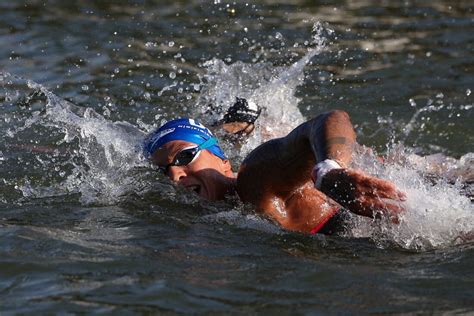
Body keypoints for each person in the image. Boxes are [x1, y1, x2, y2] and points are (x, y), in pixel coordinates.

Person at [143, 109, 406, 235]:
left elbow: (330, 119)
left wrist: (330, 171)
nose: (175, 176)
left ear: (224, 161)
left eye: (185, 156)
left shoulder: (254, 180)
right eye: (163, 172)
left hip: (414, 190)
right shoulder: (224, 214)